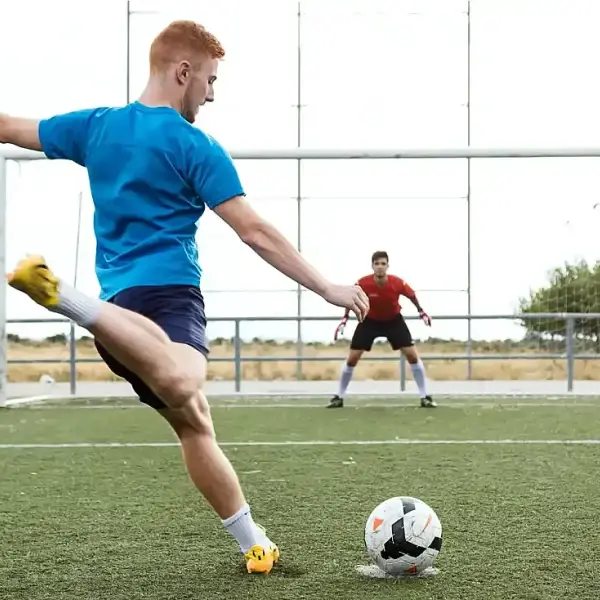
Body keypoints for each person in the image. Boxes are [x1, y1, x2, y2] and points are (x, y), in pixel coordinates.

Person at [0, 20, 369, 574]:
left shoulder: (96, 126)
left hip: (121, 322)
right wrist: (328, 287)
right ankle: (67, 300)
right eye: (211, 80)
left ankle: (254, 543)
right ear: (183, 72)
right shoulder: (193, 143)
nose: (212, 93)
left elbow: (7, 126)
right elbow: (255, 231)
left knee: (194, 421)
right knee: (186, 379)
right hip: (167, 300)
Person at [326, 250, 437, 409]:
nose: (380, 267)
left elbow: (411, 296)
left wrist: (421, 312)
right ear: (372, 266)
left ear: (387, 266)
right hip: (369, 321)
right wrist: (344, 319)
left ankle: (425, 396)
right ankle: (339, 397)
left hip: (393, 321)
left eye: (383, 264)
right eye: (377, 264)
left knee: (412, 356)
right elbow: (351, 299)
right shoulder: (362, 283)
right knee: (352, 359)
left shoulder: (397, 282)